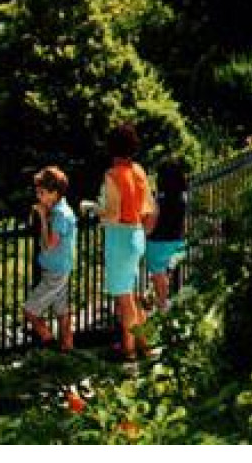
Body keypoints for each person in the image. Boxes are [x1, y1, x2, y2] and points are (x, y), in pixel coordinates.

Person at [100, 123, 157, 360]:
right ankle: (145, 344)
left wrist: (95, 210)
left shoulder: (113, 175)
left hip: (120, 237)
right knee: (132, 294)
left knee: (124, 299)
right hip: (137, 233)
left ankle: (128, 349)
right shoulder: (139, 171)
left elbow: (112, 213)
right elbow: (147, 207)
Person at [23, 166, 76, 352]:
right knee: (62, 311)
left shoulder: (59, 214)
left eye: (42, 192)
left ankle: (49, 340)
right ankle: (67, 347)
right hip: (62, 268)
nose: (39, 197)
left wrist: (43, 218)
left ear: (54, 193)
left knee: (30, 311)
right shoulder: (64, 209)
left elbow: (50, 244)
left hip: (54, 270)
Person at [144, 157, 189, 312]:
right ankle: (168, 302)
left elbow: (150, 227)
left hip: (157, 245)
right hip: (177, 242)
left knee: (159, 277)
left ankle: (163, 306)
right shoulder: (183, 198)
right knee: (166, 276)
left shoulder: (158, 201)